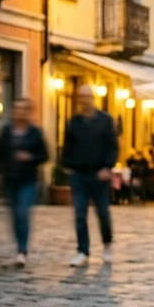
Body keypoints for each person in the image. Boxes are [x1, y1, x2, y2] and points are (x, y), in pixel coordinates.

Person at [61, 85, 118, 267]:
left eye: (87, 96)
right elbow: (68, 145)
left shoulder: (105, 120)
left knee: (102, 212)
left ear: (93, 98)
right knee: (79, 213)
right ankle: (82, 251)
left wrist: (108, 167)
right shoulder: (74, 122)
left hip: (99, 175)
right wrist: (67, 165)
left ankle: (107, 245)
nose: (84, 100)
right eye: (81, 97)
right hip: (79, 175)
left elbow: (112, 146)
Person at [0, 98, 48, 267]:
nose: (20, 112)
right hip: (10, 180)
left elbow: (45, 155)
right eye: (17, 108)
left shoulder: (35, 132)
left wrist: (30, 157)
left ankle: (22, 251)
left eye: (23, 109)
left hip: (28, 181)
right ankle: (19, 247)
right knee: (15, 216)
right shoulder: (7, 131)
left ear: (28, 112)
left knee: (22, 212)